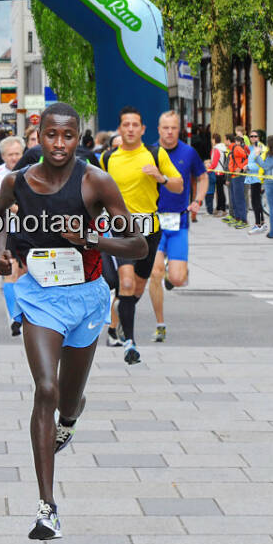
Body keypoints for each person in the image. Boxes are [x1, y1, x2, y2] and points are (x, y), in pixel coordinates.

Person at [0, 102, 151, 540]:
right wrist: (4, 253)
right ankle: (47, 507)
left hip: (87, 299)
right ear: (36, 136)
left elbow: (137, 244)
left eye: (68, 136)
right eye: (51, 135)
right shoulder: (17, 181)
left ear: (79, 138)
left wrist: (93, 238)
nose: (59, 144)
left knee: (68, 398)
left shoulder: (95, 181)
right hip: (40, 296)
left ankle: (71, 417)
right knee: (45, 387)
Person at [99, 106, 180, 364]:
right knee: (126, 283)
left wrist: (161, 178)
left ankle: (124, 311)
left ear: (143, 129)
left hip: (149, 229)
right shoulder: (107, 158)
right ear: (120, 129)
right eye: (126, 125)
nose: (131, 129)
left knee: (138, 287)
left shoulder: (156, 154)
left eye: (135, 124)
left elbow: (179, 186)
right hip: (121, 228)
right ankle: (130, 343)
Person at [148, 110, 208, 343]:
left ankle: (176, 274)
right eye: (165, 128)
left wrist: (198, 200)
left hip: (179, 222)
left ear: (179, 129)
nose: (170, 132)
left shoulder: (188, 152)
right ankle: (160, 323)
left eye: (174, 128)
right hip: (154, 223)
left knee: (178, 278)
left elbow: (202, 177)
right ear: (159, 129)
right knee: (154, 272)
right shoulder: (150, 152)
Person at [0, 135, 26, 336]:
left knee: (23, 274)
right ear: (3, 156)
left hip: (29, 231)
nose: (14, 158)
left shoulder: (31, 172)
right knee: (10, 273)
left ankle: (23, 310)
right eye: (10, 155)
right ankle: (15, 317)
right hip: (7, 232)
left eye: (17, 154)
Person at [243, 132, 266, 236]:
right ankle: (262, 223)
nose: (253, 138)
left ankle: (258, 225)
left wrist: (248, 167)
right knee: (257, 201)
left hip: (256, 177)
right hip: (251, 177)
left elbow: (261, 164)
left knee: (255, 202)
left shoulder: (259, 148)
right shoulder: (251, 148)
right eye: (251, 136)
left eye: (255, 136)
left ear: (258, 138)